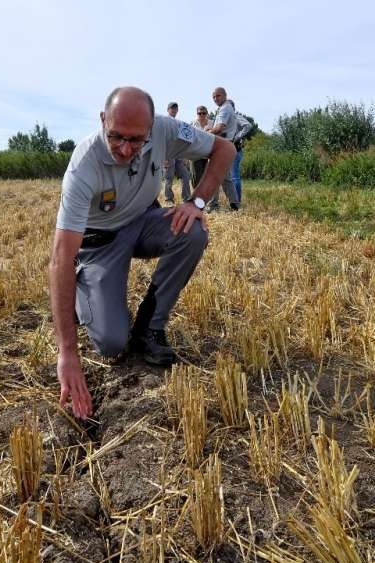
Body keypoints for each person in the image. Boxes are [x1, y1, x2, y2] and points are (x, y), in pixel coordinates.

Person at [49, 86, 236, 419]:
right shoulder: (83, 167)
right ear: (102, 120)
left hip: (143, 219)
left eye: (137, 140)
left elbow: (224, 149)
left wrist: (197, 201)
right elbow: (61, 257)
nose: (125, 149)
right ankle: (85, 289)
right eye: (116, 137)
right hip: (100, 243)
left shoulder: (166, 129)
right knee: (111, 343)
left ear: (152, 128)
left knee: (192, 231)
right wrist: (68, 353)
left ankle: (150, 326)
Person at [204, 87, 240, 211]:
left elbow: (219, 128)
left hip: (220, 146)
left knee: (213, 176)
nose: (215, 99)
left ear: (225, 95)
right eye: (213, 97)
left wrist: (207, 130)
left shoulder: (225, 108)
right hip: (226, 145)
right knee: (226, 178)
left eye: (218, 96)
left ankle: (213, 206)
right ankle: (235, 204)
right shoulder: (226, 108)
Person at [163, 102, 192, 203]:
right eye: (172, 108)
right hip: (169, 156)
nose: (174, 110)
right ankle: (168, 199)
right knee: (169, 178)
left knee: (186, 175)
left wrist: (185, 156)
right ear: (168, 109)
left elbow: (183, 141)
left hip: (179, 156)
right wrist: (164, 158)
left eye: (175, 108)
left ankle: (187, 198)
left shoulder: (179, 123)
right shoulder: (164, 122)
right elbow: (162, 141)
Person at [191, 105, 213, 188]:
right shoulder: (193, 124)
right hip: (196, 153)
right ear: (197, 114)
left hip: (208, 153)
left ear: (207, 113)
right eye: (199, 113)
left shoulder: (212, 123)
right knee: (196, 177)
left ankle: (204, 197)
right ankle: (195, 197)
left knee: (206, 177)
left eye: (204, 113)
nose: (201, 115)